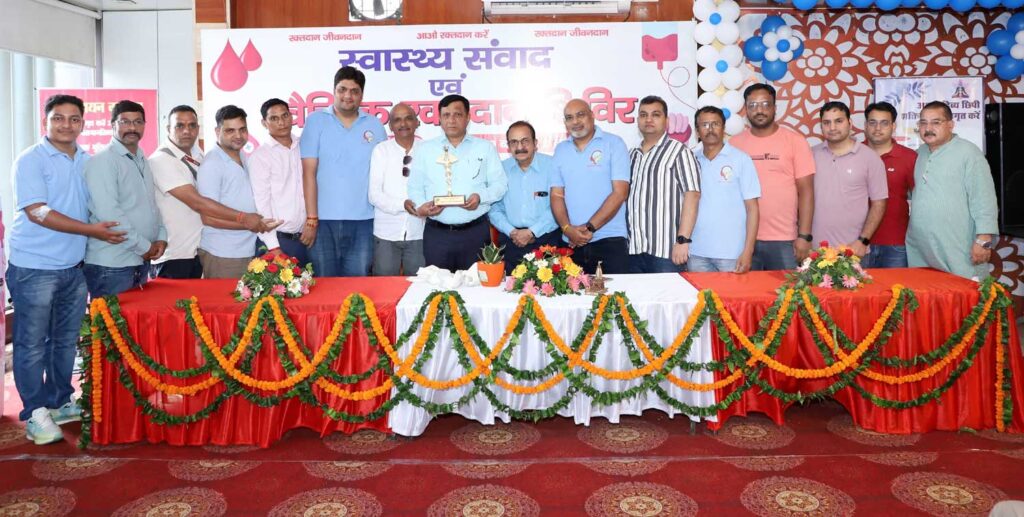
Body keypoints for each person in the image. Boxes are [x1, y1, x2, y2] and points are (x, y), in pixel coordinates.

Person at [8, 94, 126, 444]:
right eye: (58, 118)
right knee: (31, 343)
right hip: (34, 266)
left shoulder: (87, 161)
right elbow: (37, 212)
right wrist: (91, 230)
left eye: (74, 119)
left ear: (83, 124)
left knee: (63, 341)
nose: (66, 125)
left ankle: (59, 400)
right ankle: (34, 412)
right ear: (45, 121)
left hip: (74, 267)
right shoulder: (31, 160)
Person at [150, 105, 274, 279]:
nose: (186, 131)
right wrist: (247, 220)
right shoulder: (162, 160)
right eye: (179, 126)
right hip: (176, 253)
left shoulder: (198, 154)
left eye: (192, 125)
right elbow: (200, 206)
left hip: (196, 250)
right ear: (169, 128)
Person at [300, 66, 386, 276]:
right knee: (324, 283)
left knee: (358, 284)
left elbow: (384, 173)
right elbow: (308, 172)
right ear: (334, 90)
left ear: (362, 95)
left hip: (364, 221)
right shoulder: (315, 121)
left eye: (354, 91)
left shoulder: (375, 125)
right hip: (322, 221)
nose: (348, 96)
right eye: (342, 89)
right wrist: (312, 218)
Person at [408, 94, 507, 272]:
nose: (451, 120)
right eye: (446, 115)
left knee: (476, 285)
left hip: (475, 233)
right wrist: (422, 206)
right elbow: (414, 187)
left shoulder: (485, 148)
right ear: (439, 119)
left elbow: (500, 185)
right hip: (437, 235)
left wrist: (480, 197)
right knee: (438, 286)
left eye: (457, 114)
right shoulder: (425, 150)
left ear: (468, 117)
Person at [906, 100, 998, 280]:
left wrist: (983, 240)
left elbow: (984, 198)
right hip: (921, 248)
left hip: (958, 247)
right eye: (923, 123)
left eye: (936, 122)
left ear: (950, 125)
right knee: (926, 292)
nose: (928, 128)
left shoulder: (969, 153)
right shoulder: (918, 154)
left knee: (966, 293)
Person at [83, 100, 166, 296]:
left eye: (138, 122)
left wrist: (161, 237)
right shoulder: (103, 161)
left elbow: (151, 205)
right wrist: (144, 247)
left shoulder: (141, 159)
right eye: (125, 122)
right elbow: (109, 214)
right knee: (110, 317)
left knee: (135, 317)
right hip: (112, 266)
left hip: (139, 261)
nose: (132, 128)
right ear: (113, 125)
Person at [731, 83, 816, 270]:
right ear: (746, 110)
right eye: (753, 105)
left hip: (784, 240)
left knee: (788, 289)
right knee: (745, 289)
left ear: (775, 108)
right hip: (743, 240)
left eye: (765, 104)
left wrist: (804, 236)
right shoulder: (734, 144)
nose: (759, 110)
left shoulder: (795, 141)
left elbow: (806, 191)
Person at [551, 99, 631, 274]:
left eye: (580, 115)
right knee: (571, 293)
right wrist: (567, 229)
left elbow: (620, 193)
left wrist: (589, 228)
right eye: (569, 117)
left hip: (609, 240)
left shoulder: (614, 143)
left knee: (614, 292)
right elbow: (556, 195)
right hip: (570, 242)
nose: (575, 121)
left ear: (592, 116)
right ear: (565, 123)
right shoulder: (560, 150)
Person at [626, 95, 701, 273]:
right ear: (638, 120)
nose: (648, 119)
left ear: (666, 121)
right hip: (635, 249)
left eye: (655, 114)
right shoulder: (632, 154)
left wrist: (683, 240)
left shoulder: (679, 151)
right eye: (643, 115)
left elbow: (692, 195)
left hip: (667, 251)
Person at [197, 105, 269, 278]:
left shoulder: (242, 155)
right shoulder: (212, 164)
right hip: (223, 253)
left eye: (242, 129)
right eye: (230, 130)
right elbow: (208, 218)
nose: (238, 135)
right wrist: (250, 223)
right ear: (217, 131)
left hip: (248, 249)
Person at [810, 101, 887, 258]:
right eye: (826, 122)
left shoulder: (870, 158)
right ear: (821, 126)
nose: (832, 127)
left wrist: (863, 241)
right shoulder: (810, 155)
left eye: (839, 121)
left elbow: (879, 203)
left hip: (853, 251)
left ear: (850, 123)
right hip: (814, 251)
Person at [689, 106, 761, 273]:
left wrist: (748, 251)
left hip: (732, 254)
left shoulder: (741, 159)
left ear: (724, 128)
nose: (710, 129)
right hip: (696, 252)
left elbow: (752, 209)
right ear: (697, 131)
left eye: (715, 124)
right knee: (698, 292)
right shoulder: (690, 160)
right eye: (704, 125)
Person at [489, 120, 560, 274]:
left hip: (546, 240)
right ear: (508, 146)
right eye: (514, 142)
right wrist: (512, 232)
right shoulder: (500, 170)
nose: (520, 147)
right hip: (511, 242)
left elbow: (558, 206)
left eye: (525, 141)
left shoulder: (553, 166)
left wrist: (532, 232)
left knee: (549, 287)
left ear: (535, 143)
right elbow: (494, 208)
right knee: (511, 287)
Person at [368, 103, 426, 276]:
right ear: (390, 126)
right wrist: (402, 205)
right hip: (386, 233)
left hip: (420, 232)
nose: (403, 124)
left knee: (420, 286)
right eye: (397, 120)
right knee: (384, 287)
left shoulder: (427, 149)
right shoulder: (381, 150)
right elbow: (374, 195)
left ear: (417, 122)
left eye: (408, 118)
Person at [250, 98, 309, 266]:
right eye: (274, 118)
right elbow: (262, 203)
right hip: (277, 241)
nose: (281, 122)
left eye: (285, 116)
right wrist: (273, 247)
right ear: (264, 123)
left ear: (291, 117)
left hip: (306, 238)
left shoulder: (304, 146)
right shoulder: (261, 156)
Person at [862, 101, 916, 268]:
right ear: (865, 126)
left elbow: (921, 200)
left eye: (884, 123)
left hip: (896, 243)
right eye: (872, 122)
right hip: (856, 242)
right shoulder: (853, 154)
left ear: (893, 126)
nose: (878, 128)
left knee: (895, 286)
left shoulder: (909, 157)